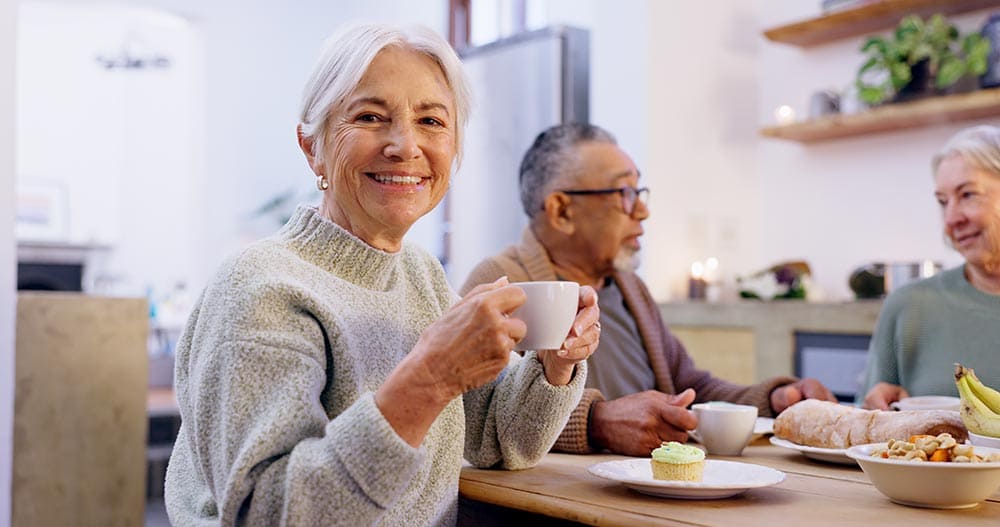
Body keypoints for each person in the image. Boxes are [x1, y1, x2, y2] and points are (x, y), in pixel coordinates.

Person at [164, 24, 601, 526]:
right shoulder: (262, 287)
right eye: (370, 116)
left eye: (432, 121)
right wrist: (429, 378)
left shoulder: (420, 274)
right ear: (313, 147)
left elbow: (496, 441)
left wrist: (553, 365)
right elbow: (266, 512)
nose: (405, 146)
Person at [460, 123, 835, 457]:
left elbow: (690, 387)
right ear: (561, 211)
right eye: (624, 192)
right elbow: (479, 416)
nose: (642, 210)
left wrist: (772, 400)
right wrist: (597, 421)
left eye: (639, 191)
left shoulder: (629, 287)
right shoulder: (500, 282)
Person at [859, 124, 1000, 410]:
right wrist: (876, 409)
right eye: (942, 202)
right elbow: (868, 424)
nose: (951, 219)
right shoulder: (909, 306)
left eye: (968, 195)